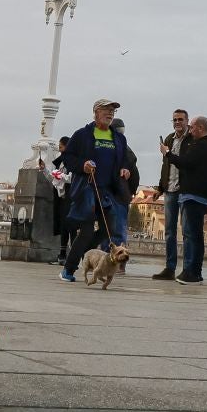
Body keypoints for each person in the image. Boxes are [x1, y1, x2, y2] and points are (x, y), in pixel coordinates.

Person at [58, 100, 135, 283]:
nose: (110, 113)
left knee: (110, 229)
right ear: (95, 112)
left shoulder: (118, 138)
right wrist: (82, 165)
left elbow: (124, 160)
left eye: (113, 111)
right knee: (85, 232)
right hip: (87, 189)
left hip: (108, 191)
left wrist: (125, 169)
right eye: (106, 110)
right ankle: (68, 269)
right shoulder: (83, 134)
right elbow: (67, 158)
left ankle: (87, 255)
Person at [162, 115, 207, 285]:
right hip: (199, 196)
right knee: (194, 235)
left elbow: (185, 162)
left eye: (192, 127)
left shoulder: (202, 146)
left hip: (194, 196)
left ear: (200, 128)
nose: (190, 130)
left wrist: (167, 154)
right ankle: (194, 272)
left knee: (191, 235)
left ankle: (191, 273)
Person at [153, 109, 191, 281]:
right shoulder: (169, 139)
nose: (177, 122)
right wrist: (160, 188)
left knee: (187, 231)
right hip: (169, 190)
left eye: (181, 119)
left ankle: (188, 269)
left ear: (187, 121)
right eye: (175, 120)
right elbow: (165, 166)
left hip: (185, 190)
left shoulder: (192, 139)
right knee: (169, 231)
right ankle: (170, 268)